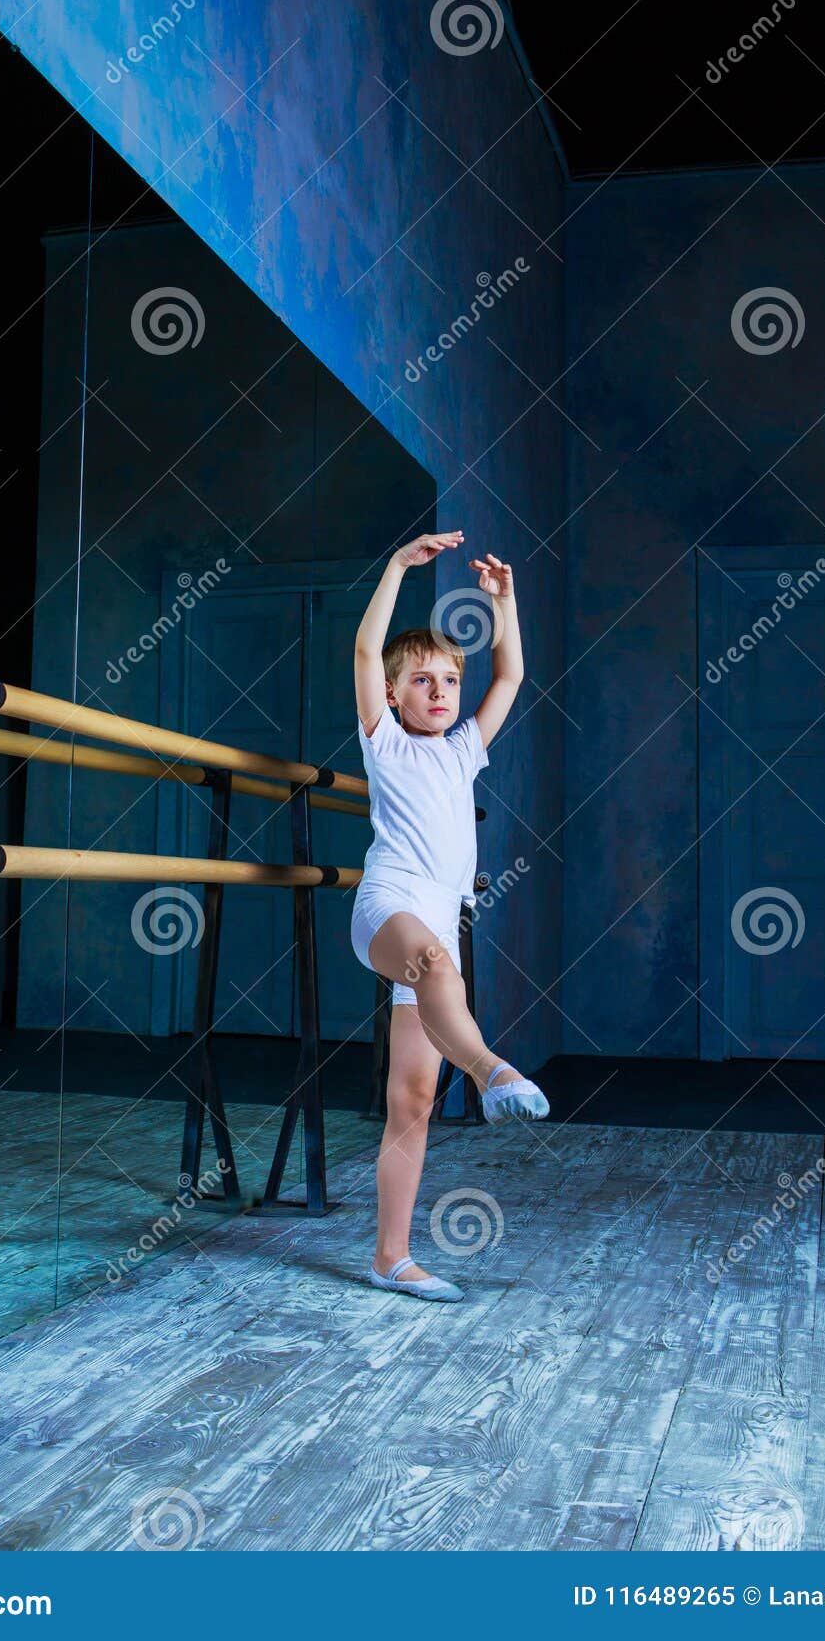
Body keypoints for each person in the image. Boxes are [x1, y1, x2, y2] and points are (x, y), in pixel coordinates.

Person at [352, 530, 549, 1303]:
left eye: (447, 681)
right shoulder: (386, 745)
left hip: (441, 926)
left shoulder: (465, 748)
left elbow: (513, 671)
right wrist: (398, 565)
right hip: (388, 913)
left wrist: (504, 602)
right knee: (434, 966)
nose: (438, 692)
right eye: (422, 682)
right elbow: (366, 654)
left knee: (412, 1101)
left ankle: (391, 1258)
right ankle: (490, 1069)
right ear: (396, 697)